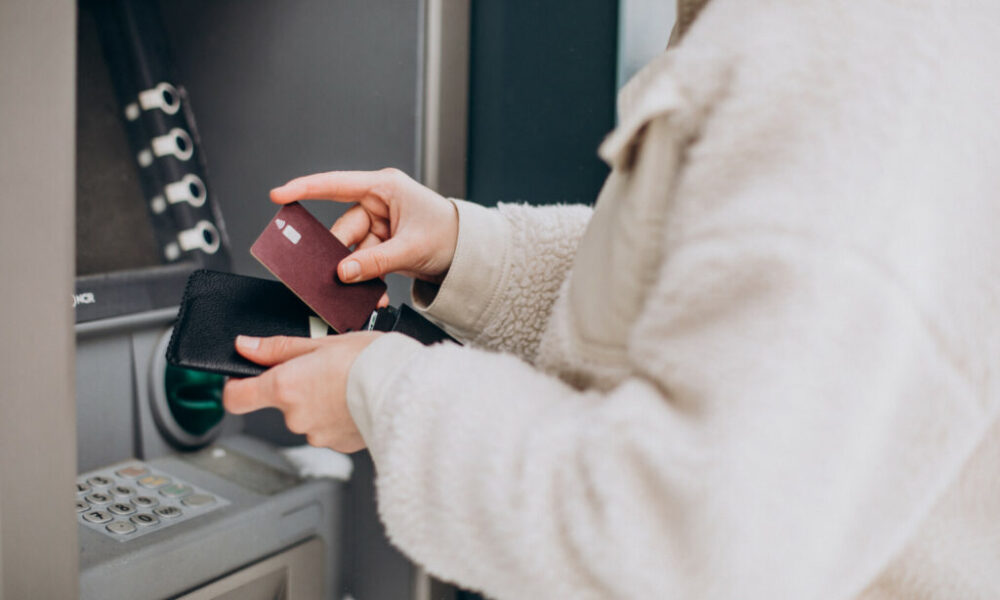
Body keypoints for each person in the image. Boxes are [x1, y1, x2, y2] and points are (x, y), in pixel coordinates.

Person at [223, 1, 1000, 598]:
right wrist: (472, 250)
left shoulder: (847, 44)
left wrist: (379, 392)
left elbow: (687, 538)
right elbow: (723, 305)